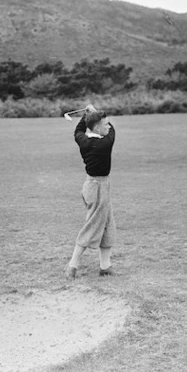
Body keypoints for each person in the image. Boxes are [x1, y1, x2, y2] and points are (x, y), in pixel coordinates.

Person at [66, 104, 117, 279]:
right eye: (105, 124)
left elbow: (78, 130)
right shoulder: (104, 144)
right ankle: (72, 265)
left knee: (108, 224)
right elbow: (113, 133)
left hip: (92, 185)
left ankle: (105, 266)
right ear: (96, 127)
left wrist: (87, 115)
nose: (108, 126)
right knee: (93, 225)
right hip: (99, 188)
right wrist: (93, 111)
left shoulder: (83, 139)